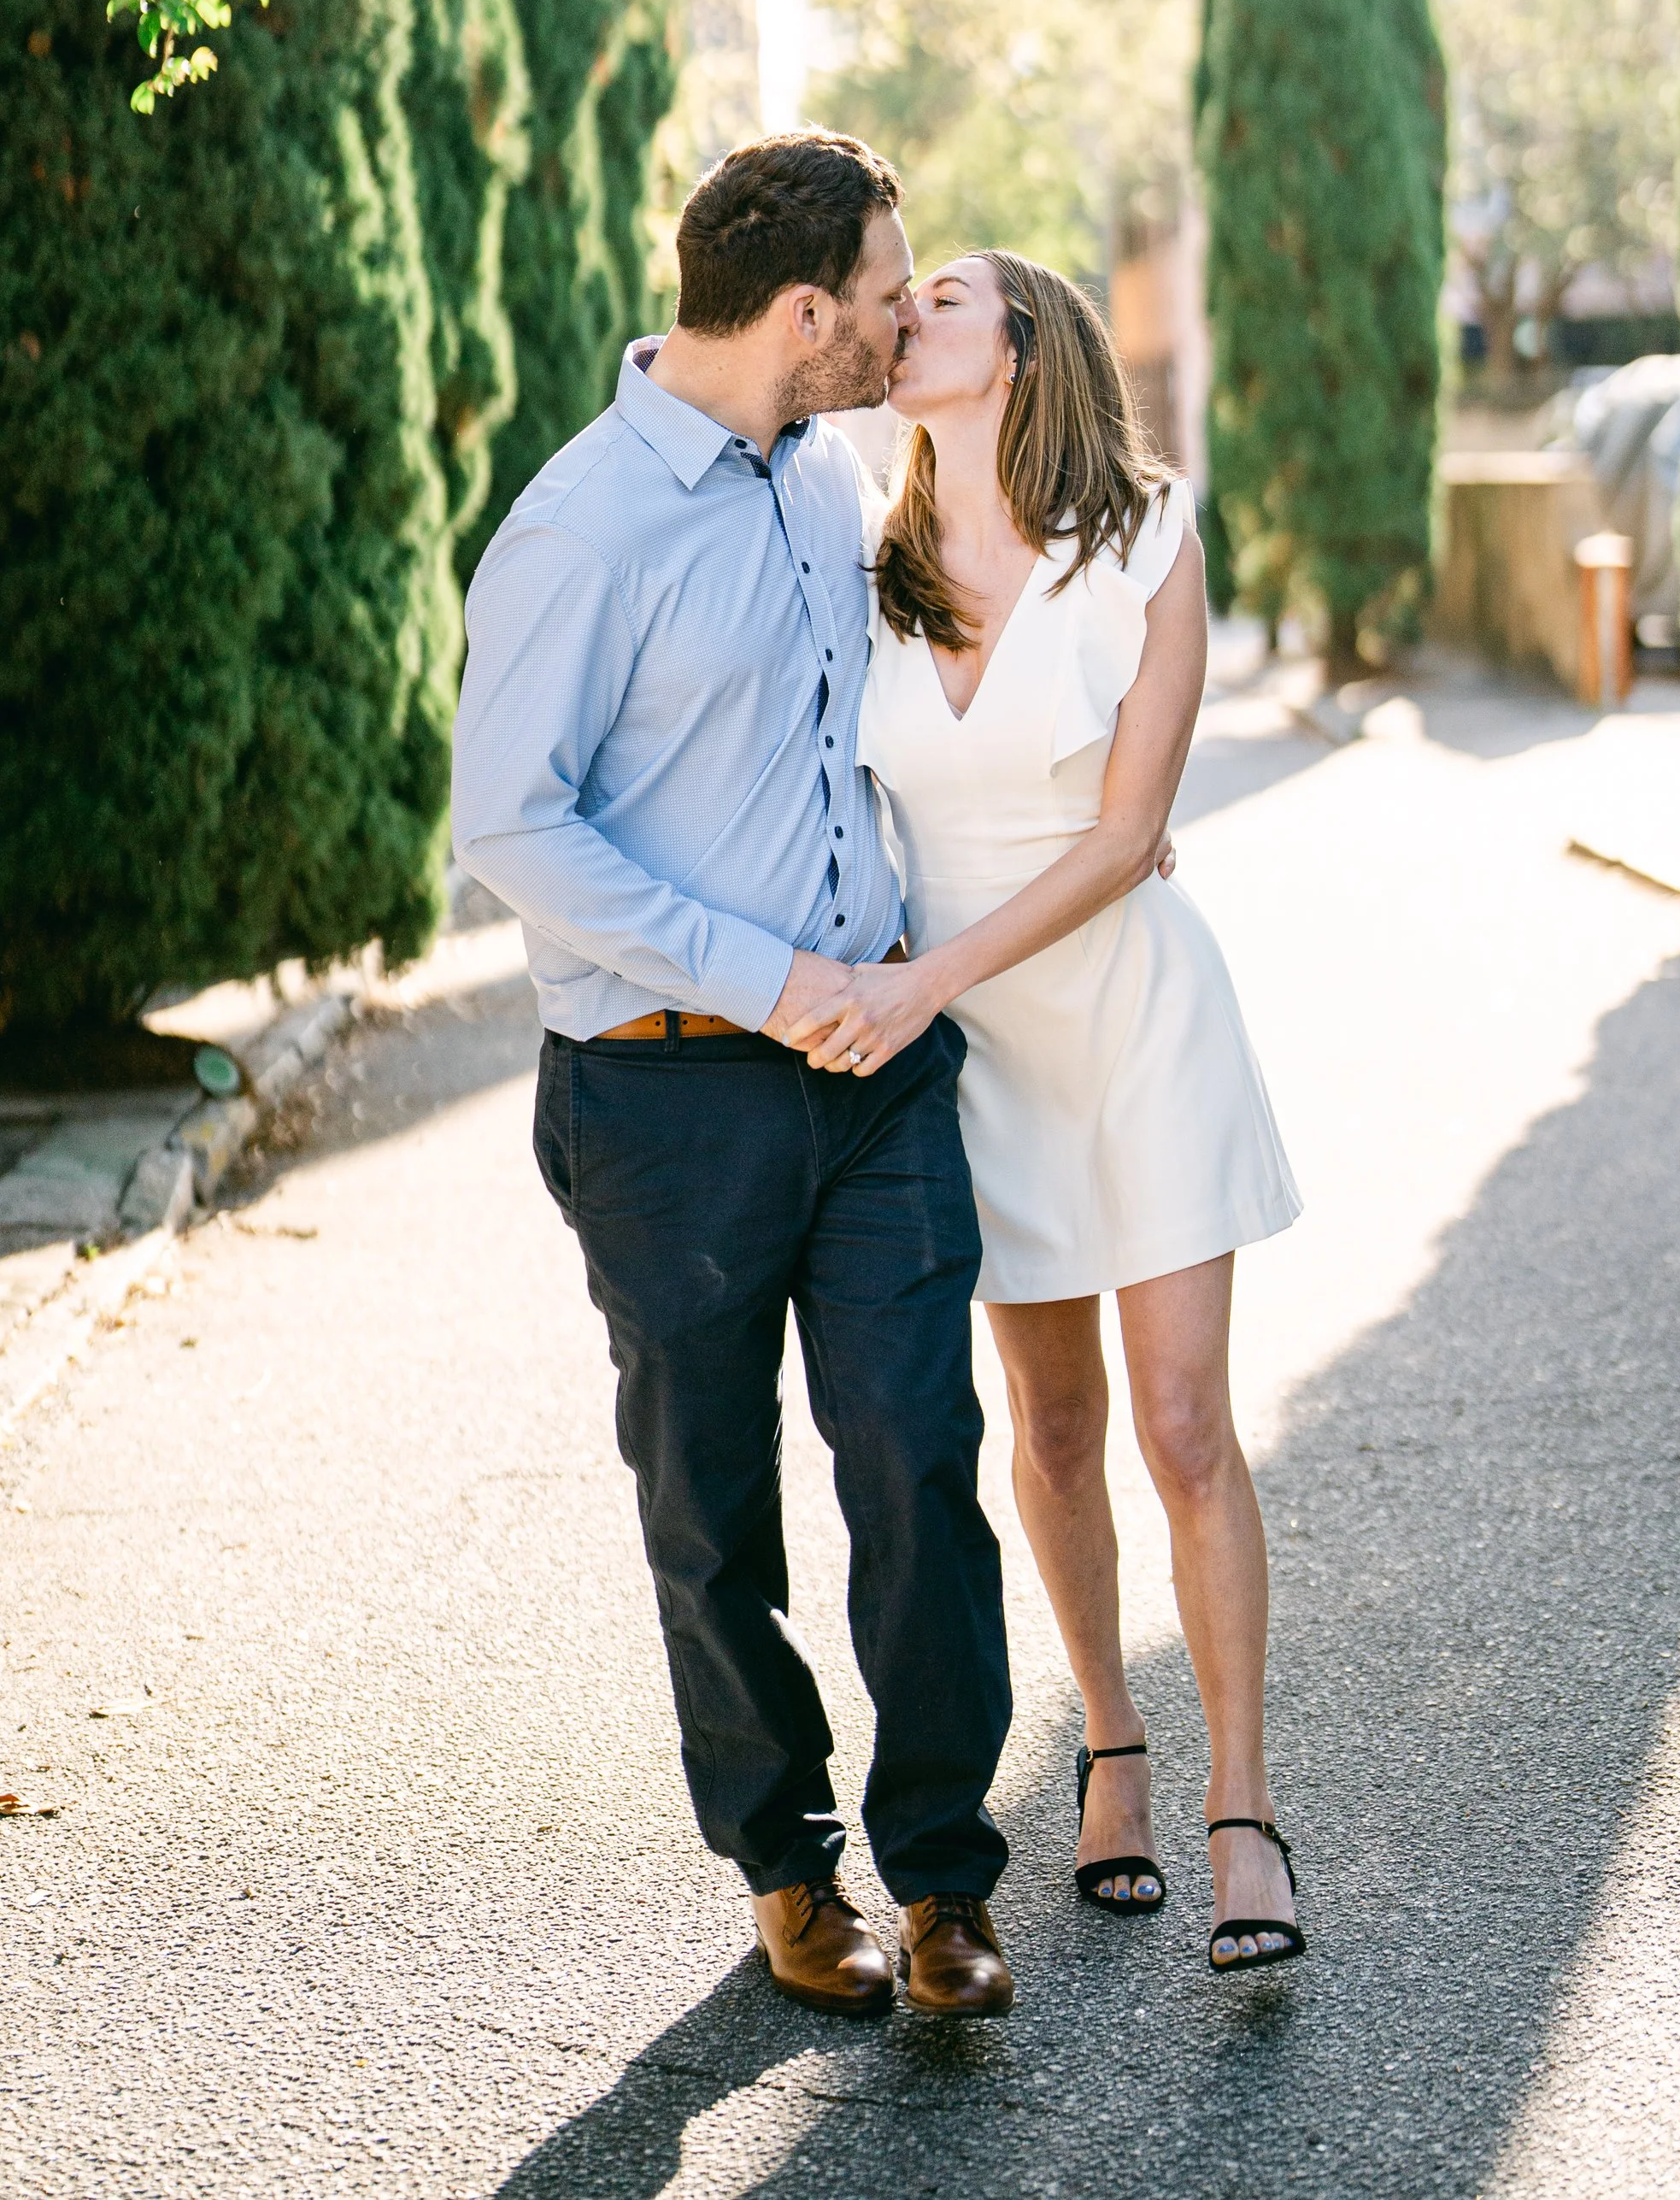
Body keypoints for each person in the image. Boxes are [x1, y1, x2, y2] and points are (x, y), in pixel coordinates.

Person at [449, 134, 1014, 2021]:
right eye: (880, 296)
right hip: (666, 1096)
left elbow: (885, 727)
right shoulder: (579, 527)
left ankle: (943, 1877)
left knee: (920, 1458)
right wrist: (760, 981)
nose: (898, 322)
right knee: (712, 1505)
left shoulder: (826, 476)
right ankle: (785, 1861)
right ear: (797, 314)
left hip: (874, 1069)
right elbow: (510, 826)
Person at [784, 250, 1307, 1974]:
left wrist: (920, 982)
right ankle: (1112, 1750)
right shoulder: (855, 555)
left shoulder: (1142, 542)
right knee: (1057, 1428)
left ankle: (1241, 1810)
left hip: (1132, 1019)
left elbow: (1119, 832)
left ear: (1018, 348)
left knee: (1177, 1422)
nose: (895, 317)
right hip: (969, 1056)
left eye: (932, 296)